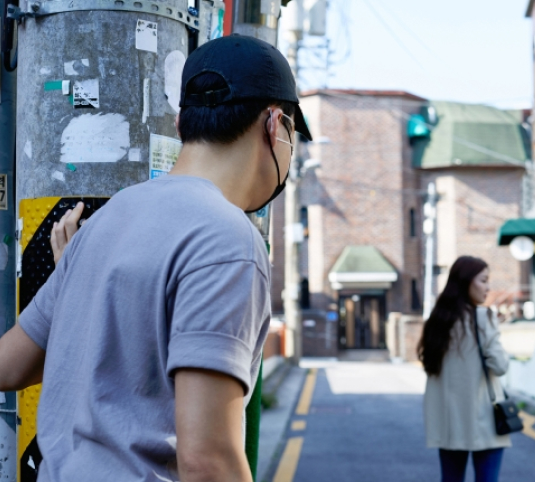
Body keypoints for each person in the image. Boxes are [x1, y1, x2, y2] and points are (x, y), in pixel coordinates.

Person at [0, 34, 312, 482]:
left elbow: (9, 365)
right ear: (274, 124)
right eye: (292, 135)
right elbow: (209, 461)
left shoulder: (107, 222)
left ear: (183, 124)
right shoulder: (228, 241)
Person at [418, 256, 511, 482]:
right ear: (466, 281)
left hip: (449, 423)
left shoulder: (437, 322)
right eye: (483, 280)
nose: (488, 288)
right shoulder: (483, 317)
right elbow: (500, 366)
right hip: (483, 419)